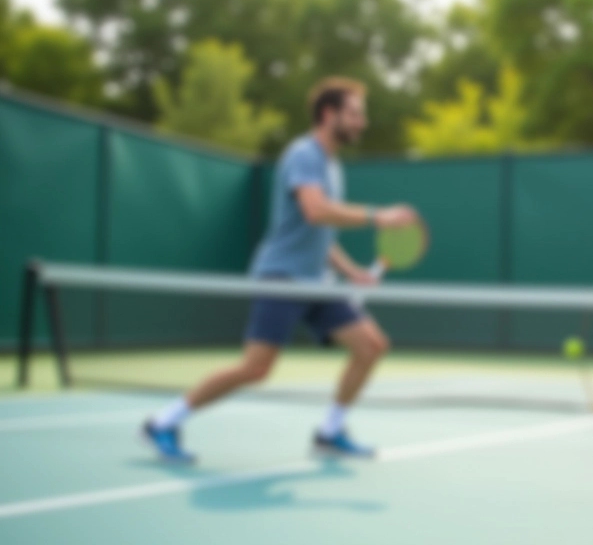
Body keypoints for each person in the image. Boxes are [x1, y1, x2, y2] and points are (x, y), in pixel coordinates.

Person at [143, 77, 419, 462]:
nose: (362, 122)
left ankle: (330, 432)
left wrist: (351, 270)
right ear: (329, 114)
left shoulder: (332, 165)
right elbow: (315, 210)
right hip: (283, 278)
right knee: (256, 369)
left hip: (317, 283)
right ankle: (163, 422)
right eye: (355, 114)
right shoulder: (304, 154)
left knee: (371, 345)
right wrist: (378, 216)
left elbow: (320, 231)